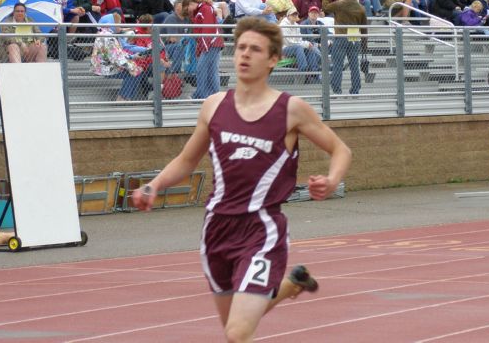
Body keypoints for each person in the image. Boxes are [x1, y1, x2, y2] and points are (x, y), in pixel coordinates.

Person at [131, 17, 351, 343]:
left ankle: (284, 284)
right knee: (235, 327)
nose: (245, 55)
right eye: (241, 48)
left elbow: (340, 149)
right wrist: (155, 185)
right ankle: (290, 285)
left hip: (261, 228)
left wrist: (332, 181)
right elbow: (187, 159)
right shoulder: (214, 105)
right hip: (216, 229)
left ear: (273, 59)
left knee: (236, 333)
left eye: (255, 49)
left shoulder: (290, 109)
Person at [322, 0, 367, 95]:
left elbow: (325, 8)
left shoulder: (340, 3)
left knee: (338, 64)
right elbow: (364, 28)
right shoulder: (361, 7)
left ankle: (337, 90)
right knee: (354, 65)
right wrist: (365, 45)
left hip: (341, 36)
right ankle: (355, 89)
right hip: (354, 37)